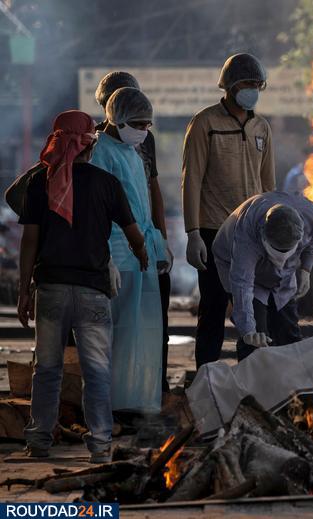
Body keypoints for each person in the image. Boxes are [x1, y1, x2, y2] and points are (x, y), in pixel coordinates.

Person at [18, 111, 147, 463]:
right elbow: (134, 232)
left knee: (47, 369)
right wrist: (142, 253)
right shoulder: (106, 183)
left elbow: (29, 242)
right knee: (97, 371)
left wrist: (24, 290)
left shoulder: (39, 182)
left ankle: (39, 440)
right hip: (93, 290)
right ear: (89, 145)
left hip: (50, 289)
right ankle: (101, 445)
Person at [182, 53, 276, 367]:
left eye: (257, 84)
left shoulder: (262, 127)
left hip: (251, 233)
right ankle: (206, 379)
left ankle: (250, 379)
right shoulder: (205, 123)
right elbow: (191, 179)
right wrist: (193, 233)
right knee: (212, 309)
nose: (253, 90)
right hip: (213, 230)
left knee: (252, 310)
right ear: (230, 86)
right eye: (248, 83)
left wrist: (271, 229)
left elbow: (268, 184)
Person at [94, 71, 174, 392]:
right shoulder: (98, 148)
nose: (143, 129)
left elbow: (149, 193)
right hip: (116, 248)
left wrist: (160, 241)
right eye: (137, 122)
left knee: (147, 326)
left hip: (142, 245)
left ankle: (146, 389)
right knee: (115, 329)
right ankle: (115, 396)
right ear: (114, 112)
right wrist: (105, 256)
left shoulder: (138, 144)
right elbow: (99, 209)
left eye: (146, 124)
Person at [211, 192, 313, 360]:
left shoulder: (312, 215)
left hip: (285, 273)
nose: (280, 257)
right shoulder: (246, 235)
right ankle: (251, 373)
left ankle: (290, 374)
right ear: (264, 235)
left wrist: (306, 270)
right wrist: (249, 331)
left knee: (287, 331)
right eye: (276, 250)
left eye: (286, 250)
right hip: (236, 262)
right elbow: (243, 285)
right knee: (256, 339)